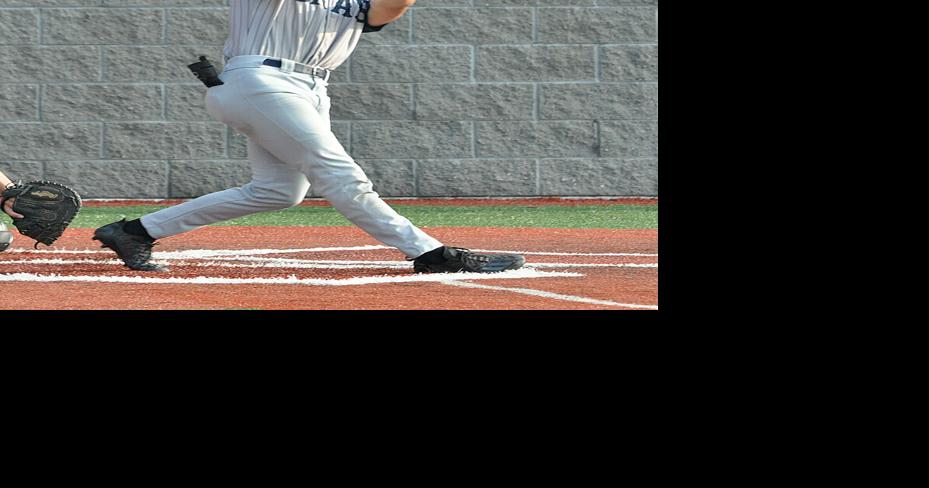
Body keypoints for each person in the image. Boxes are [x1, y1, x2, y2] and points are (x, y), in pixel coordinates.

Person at [93, 0, 525, 274]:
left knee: (278, 190)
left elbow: (388, 9)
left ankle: (135, 231)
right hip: (262, 78)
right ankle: (427, 254)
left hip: (312, 87)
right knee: (341, 176)